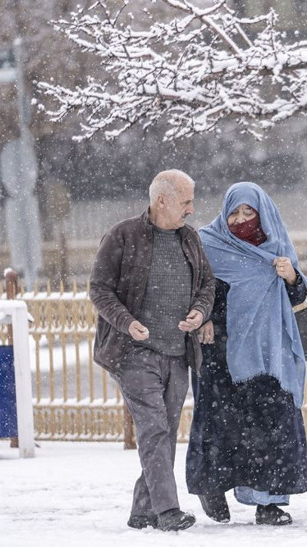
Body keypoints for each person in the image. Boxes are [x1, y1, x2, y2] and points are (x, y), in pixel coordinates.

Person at [89, 169, 215, 531]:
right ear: (163, 200)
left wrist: (199, 311)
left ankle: (142, 510)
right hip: (133, 351)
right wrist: (126, 321)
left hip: (178, 353)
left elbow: (207, 283)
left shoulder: (189, 238)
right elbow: (100, 288)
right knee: (154, 429)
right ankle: (167, 511)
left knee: (164, 431)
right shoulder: (123, 235)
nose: (192, 209)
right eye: (186, 201)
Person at [186, 181, 307, 526]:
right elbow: (196, 287)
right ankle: (212, 487)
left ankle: (268, 503)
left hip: (268, 354)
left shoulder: (277, 247)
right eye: (234, 213)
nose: (240, 220)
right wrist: (206, 317)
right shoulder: (209, 244)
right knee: (221, 424)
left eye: (248, 213)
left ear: (263, 215)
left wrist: (291, 278)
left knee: (272, 425)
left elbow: (298, 299)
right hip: (221, 352)